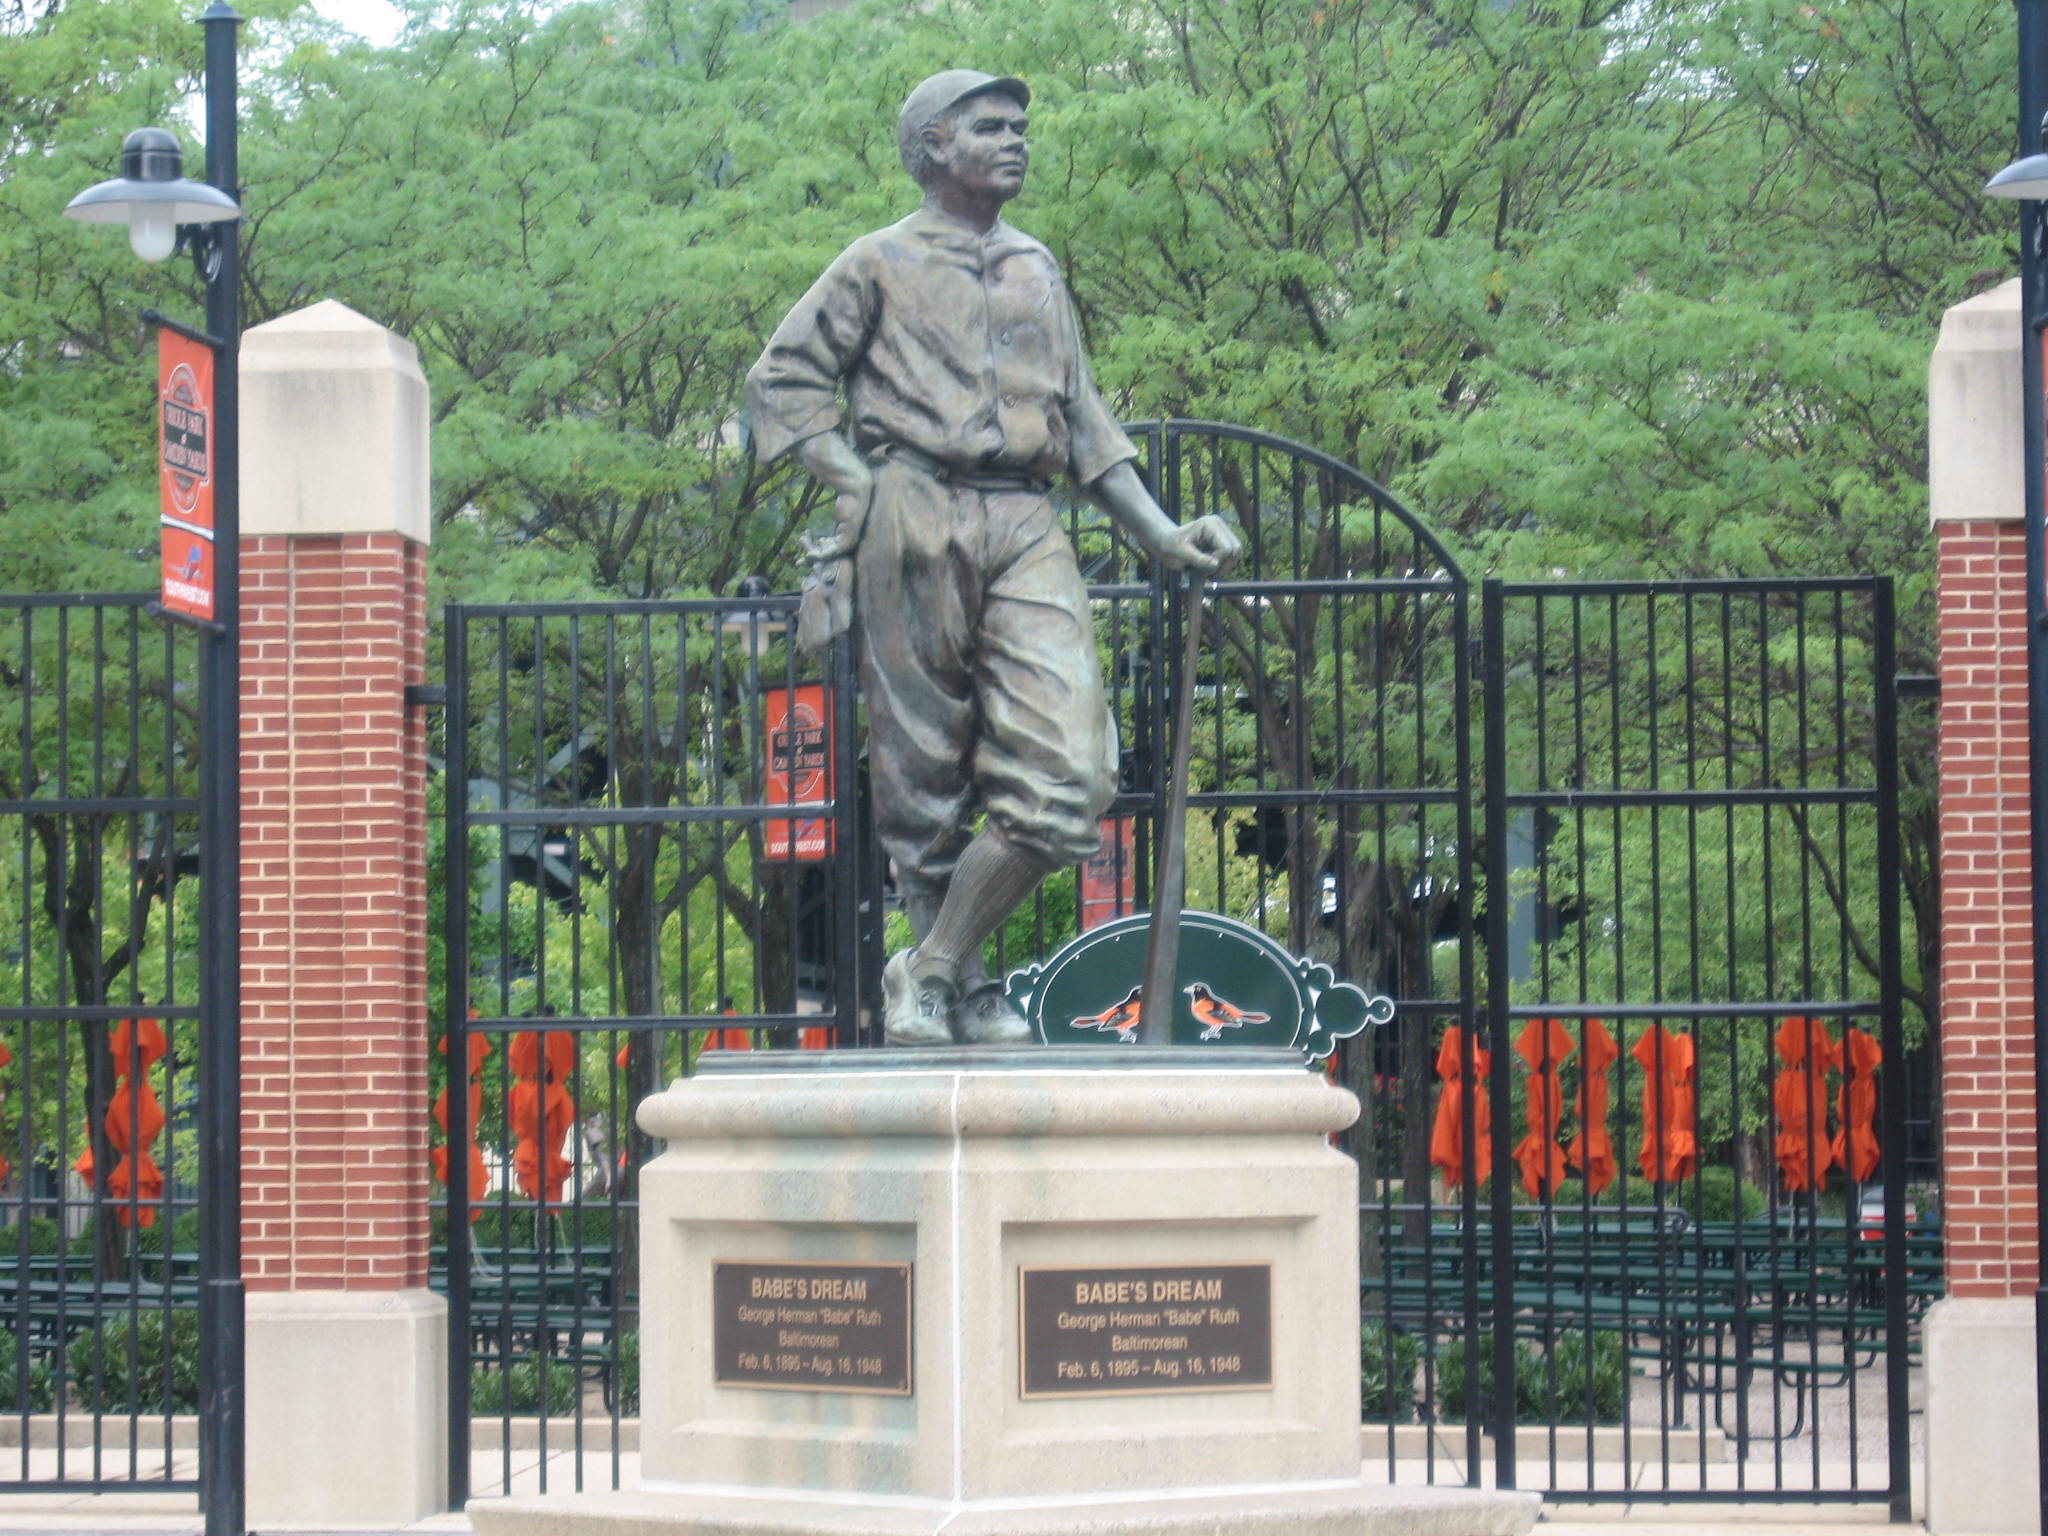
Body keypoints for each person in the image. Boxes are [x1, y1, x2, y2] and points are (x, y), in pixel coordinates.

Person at [745, 69, 1241, 1046]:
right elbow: (782, 379)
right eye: (991, 126)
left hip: (1023, 516)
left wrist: (1159, 531)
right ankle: (960, 985)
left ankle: (926, 964)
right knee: (921, 776)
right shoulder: (877, 261)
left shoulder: (1034, 265)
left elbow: (1084, 418)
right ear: (935, 145)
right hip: (911, 509)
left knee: (1070, 780)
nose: (1016, 139)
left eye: (1020, 127)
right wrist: (852, 482)